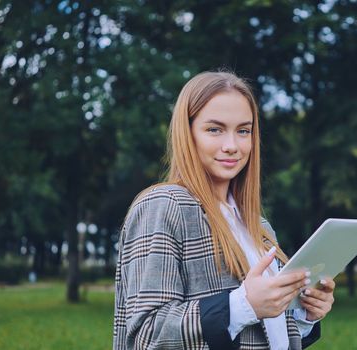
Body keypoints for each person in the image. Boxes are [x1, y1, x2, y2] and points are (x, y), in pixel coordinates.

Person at [113, 71, 335, 350]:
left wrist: (304, 315)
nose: (232, 146)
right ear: (188, 133)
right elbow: (146, 334)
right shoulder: (164, 205)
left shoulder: (259, 225)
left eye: (243, 131)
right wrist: (243, 305)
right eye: (214, 129)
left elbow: (267, 334)